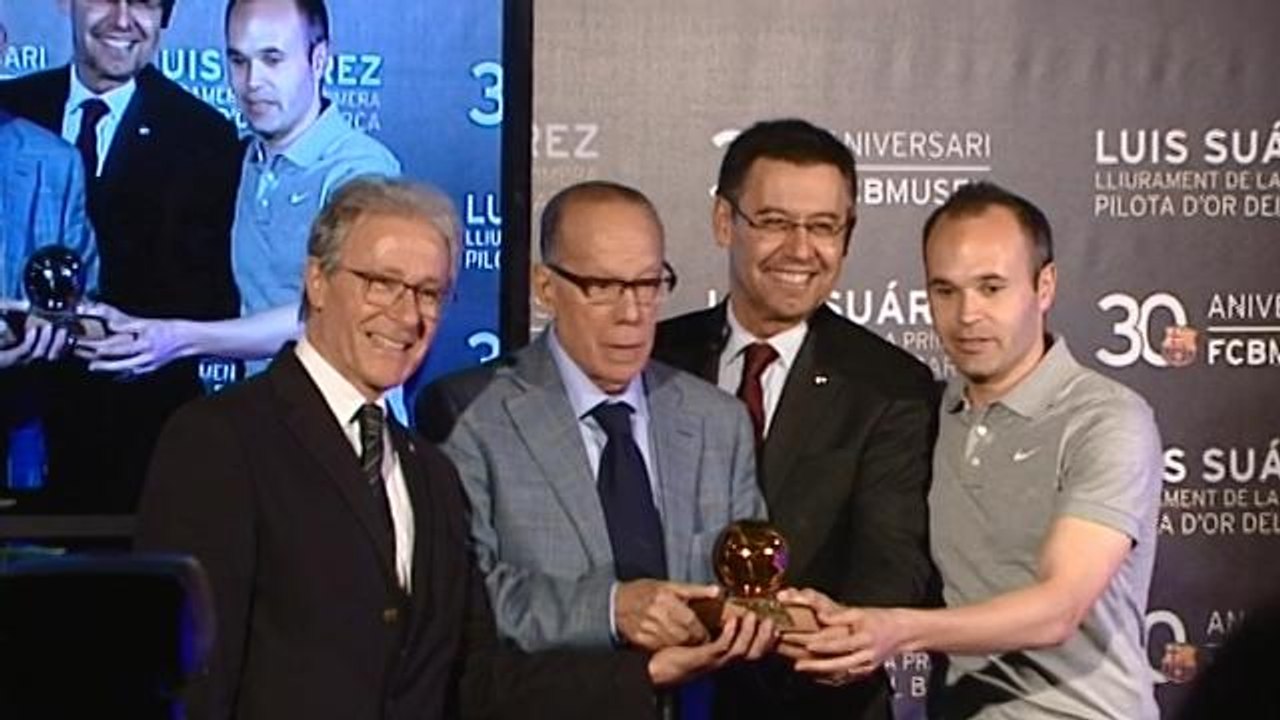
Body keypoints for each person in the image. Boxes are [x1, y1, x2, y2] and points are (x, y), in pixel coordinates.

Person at [134, 176, 671, 720]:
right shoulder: (222, 441)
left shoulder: (430, 473)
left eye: (428, 293)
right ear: (317, 281)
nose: (407, 316)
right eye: (382, 283)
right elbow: (190, 676)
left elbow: (471, 680)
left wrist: (644, 675)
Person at [781, 182, 1162, 720]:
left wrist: (898, 630)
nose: (966, 315)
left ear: (1045, 286)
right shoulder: (926, 413)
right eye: (945, 290)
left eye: (991, 288)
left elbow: (1059, 608)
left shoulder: (1106, 420)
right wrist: (841, 620)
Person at [416, 180, 775, 710]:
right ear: (546, 287)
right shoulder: (472, 417)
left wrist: (768, 616)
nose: (631, 313)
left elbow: (749, 587)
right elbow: (471, 600)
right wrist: (610, 609)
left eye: (648, 284)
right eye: (603, 287)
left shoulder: (717, 422)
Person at [652, 118, 938, 720]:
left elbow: (889, 569)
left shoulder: (890, 387)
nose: (801, 249)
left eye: (824, 227)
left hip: (816, 702)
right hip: (659, 695)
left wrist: (810, 629)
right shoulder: (655, 360)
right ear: (724, 221)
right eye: (775, 222)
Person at [0, 0, 241, 510]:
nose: (123, 18)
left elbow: (212, 303)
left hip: (136, 454)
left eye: (145, 2)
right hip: (15, 441)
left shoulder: (207, 138)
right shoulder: (12, 110)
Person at [79, 0, 400, 380]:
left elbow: (338, 312)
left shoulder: (361, 171)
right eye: (238, 60)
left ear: (318, 60)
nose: (252, 82)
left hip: (344, 409)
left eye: (272, 59)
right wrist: (121, 325)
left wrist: (182, 338)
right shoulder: (235, 160)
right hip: (262, 403)